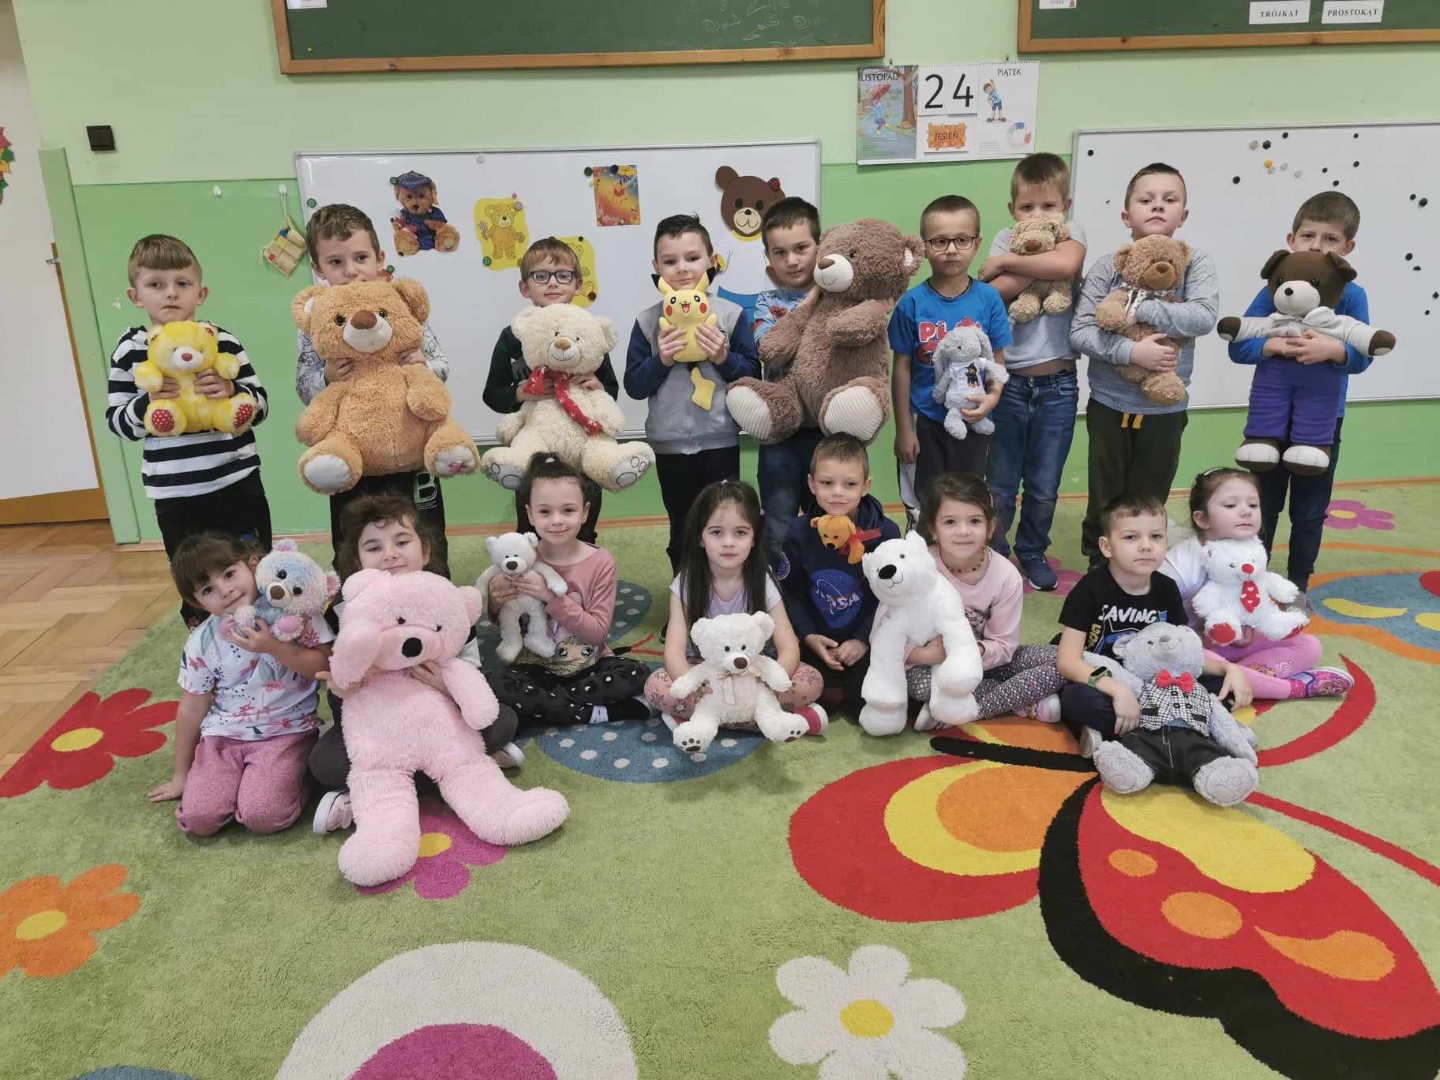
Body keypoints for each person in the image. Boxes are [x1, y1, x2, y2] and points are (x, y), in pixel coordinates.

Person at [309, 494, 524, 835]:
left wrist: (443, 684)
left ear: (424, 551)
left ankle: (387, 788)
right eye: (374, 547)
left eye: (401, 541)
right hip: (380, 728)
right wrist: (345, 686)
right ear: (357, 561)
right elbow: (342, 690)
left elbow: (472, 673)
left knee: (503, 719)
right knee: (324, 763)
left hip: (442, 722)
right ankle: (458, 769)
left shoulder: (446, 598)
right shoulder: (345, 611)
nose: (390, 553)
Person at [105, 234, 271, 627]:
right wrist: (147, 402)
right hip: (175, 491)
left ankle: (268, 633)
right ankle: (206, 643)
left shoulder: (222, 342)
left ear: (201, 292)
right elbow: (118, 423)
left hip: (236, 481)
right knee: (195, 577)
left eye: (182, 283)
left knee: (254, 565)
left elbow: (261, 406)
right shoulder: (130, 350)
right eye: (156, 284)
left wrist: (232, 390)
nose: (171, 293)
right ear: (135, 296)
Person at [1070, 163, 1219, 568]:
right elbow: (1080, 332)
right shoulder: (1108, 266)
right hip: (1110, 404)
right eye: (1146, 199)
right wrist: (1131, 352)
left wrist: (1140, 309)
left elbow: (1202, 316)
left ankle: (1142, 563)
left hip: (1164, 409)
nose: (1157, 206)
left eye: (1169, 200)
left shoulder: (1195, 263)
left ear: (1183, 215)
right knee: (1106, 491)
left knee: (1151, 493)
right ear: (1126, 215)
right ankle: (1099, 561)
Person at [1227, 191, 1375, 593]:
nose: (1316, 246)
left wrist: (1335, 351)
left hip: (1323, 422)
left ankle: (1297, 585)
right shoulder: (1274, 290)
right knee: (1263, 503)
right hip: (1269, 421)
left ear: (1348, 248)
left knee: (1309, 510)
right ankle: (1251, 580)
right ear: (1291, 240)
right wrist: (1270, 346)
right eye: (1308, 236)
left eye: (1330, 239)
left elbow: (1363, 355)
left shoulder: (1352, 295)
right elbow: (1239, 345)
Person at [296, 203, 452, 576]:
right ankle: (357, 602)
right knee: (354, 543)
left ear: (379, 258)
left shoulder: (399, 306)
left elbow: (442, 367)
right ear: (318, 269)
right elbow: (303, 387)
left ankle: (436, 596)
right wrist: (327, 378)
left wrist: (423, 365)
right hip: (354, 461)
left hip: (410, 452)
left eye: (361, 258)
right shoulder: (317, 319)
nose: (351, 271)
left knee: (424, 536)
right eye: (336, 262)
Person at [147, 533, 331, 835]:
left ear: (253, 564)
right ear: (196, 601)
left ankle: (301, 775)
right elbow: (192, 707)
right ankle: (239, 784)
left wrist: (274, 647)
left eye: (229, 574)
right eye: (208, 589)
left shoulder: (294, 613)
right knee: (199, 818)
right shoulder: (202, 641)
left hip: (288, 732)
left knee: (264, 815)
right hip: (223, 736)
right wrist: (180, 775)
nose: (225, 590)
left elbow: (325, 667)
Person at [1056, 493, 1251, 758]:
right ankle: (1177, 731)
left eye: (1156, 536)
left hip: (1158, 685)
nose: (1146, 546)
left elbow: (1183, 656)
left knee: (1223, 688)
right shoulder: (1089, 589)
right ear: (1106, 546)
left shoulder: (1166, 589)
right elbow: (1067, 661)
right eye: (1131, 537)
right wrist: (1117, 689)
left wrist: (1229, 668)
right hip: (1108, 682)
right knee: (1076, 698)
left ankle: (1136, 732)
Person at [624, 213, 760, 570]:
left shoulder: (730, 314)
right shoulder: (648, 321)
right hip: (669, 442)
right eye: (670, 261)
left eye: (692, 257)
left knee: (724, 523)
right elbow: (634, 385)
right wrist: (661, 360)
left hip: (721, 439)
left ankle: (726, 589)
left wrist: (723, 358)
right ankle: (685, 592)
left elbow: (752, 374)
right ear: (656, 268)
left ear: (711, 261)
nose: (682, 268)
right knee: (683, 526)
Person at [977, 153, 1087, 591]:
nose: (1037, 215)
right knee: (1001, 482)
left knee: (1044, 484)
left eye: (1048, 206)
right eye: (1027, 207)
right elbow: (995, 293)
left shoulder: (1072, 233)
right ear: (1012, 209)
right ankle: (996, 550)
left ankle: (1032, 550)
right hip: (1010, 383)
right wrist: (1023, 262)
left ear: (1066, 206)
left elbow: (1065, 267)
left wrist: (1010, 262)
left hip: (1058, 384)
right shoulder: (1005, 237)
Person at [646, 479, 827, 734]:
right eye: (716, 532)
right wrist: (698, 685)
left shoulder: (763, 578)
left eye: (740, 533)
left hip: (756, 667)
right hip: (705, 669)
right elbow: (674, 651)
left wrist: (764, 681)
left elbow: (788, 645)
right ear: (700, 537)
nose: (729, 542)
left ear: (754, 538)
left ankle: (701, 719)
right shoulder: (686, 583)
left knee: (811, 682)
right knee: (656, 687)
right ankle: (768, 719)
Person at [484, 454, 652, 729]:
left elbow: (597, 634)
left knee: (638, 673)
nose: (557, 520)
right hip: (533, 670)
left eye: (568, 510)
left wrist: (550, 597)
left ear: (584, 513)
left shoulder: (601, 561)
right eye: (545, 512)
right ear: (530, 514)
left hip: (588, 667)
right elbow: (503, 621)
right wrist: (494, 601)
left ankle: (547, 707)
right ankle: (592, 713)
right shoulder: (517, 558)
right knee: (491, 682)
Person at [1163, 468, 1354, 700]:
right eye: (1231, 505)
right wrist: (1203, 637)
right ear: (1202, 519)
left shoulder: (1251, 547)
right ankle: (1291, 688)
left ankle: (1248, 678)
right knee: (1188, 661)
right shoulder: (1180, 566)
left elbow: (1256, 596)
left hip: (1230, 642)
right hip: (1191, 646)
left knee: (1310, 646)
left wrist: (1250, 627)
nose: (1246, 512)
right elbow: (1158, 630)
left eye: (1253, 505)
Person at [483, 236, 619, 545]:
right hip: (534, 451)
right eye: (541, 276)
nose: (553, 283)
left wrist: (599, 387)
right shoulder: (513, 335)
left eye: (563, 275)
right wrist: (522, 393)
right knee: (531, 533)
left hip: (582, 454)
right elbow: (492, 392)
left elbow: (611, 388)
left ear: (578, 284)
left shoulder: (589, 330)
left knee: (583, 530)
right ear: (525, 287)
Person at [904, 473, 1067, 726]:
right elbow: (889, 631)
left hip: (987, 661)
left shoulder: (1005, 575)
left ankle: (965, 710)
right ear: (933, 530)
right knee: (919, 686)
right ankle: (1021, 699)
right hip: (936, 666)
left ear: (990, 528)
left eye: (975, 521)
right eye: (950, 522)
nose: (963, 531)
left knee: (1063, 660)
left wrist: (972, 652)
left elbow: (1004, 645)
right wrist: (923, 655)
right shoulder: (917, 569)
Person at [889, 195, 1012, 511]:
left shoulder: (989, 299)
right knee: (923, 502)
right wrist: (904, 429)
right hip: (924, 421)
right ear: (924, 247)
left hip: (973, 418)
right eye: (940, 241)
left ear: (977, 243)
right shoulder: (910, 304)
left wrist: (993, 399)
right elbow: (901, 368)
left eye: (962, 239)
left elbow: (997, 360)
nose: (952, 249)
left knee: (967, 500)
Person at [778, 435, 897, 716]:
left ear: (866, 486)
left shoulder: (886, 534)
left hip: (868, 638)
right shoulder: (797, 532)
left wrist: (863, 639)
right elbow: (791, 593)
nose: (837, 493)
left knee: (863, 704)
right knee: (797, 691)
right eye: (827, 483)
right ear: (812, 484)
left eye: (850, 484)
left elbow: (891, 599)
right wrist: (809, 635)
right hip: (817, 638)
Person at [751, 197, 823, 563]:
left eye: (801, 248)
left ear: (820, 246)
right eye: (780, 253)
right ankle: (776, 584)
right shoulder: (766, 302)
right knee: (777, 519)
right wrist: (812, 302)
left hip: (829, 428)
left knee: (829, 515)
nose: (791, 260)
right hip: (781, 430)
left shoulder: (840, 297)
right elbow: (771, 349)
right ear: (769, 258)